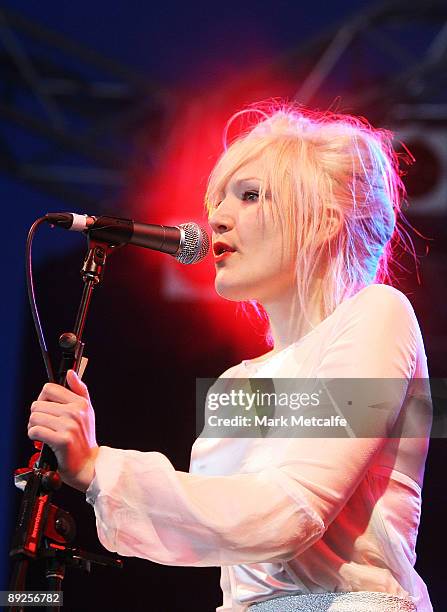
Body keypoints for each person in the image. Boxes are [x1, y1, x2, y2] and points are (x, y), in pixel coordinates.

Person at [28, 102, 433, 612]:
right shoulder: (237, 384)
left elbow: (291, 511)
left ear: (326, 221)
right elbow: (214, 538)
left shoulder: (379, 313)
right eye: (218, 200)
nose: (216, 218)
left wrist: (98, 466)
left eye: (250, 196)